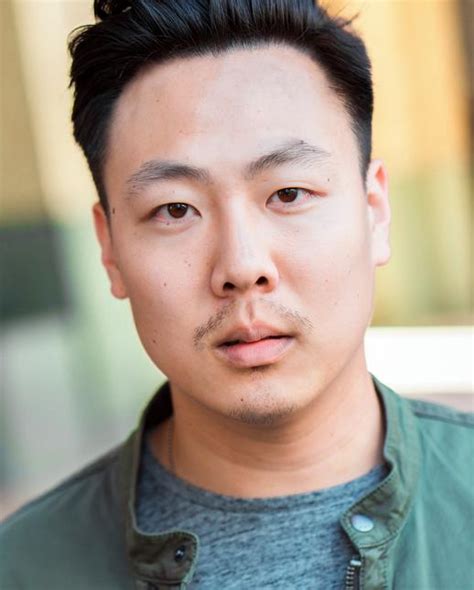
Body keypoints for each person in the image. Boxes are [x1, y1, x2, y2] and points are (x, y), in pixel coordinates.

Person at [1, 1, 472, 588]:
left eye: (289, 194)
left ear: (374, 211)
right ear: (110, 248)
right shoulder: (24, 569)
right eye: (176, 209)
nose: (242, 266)